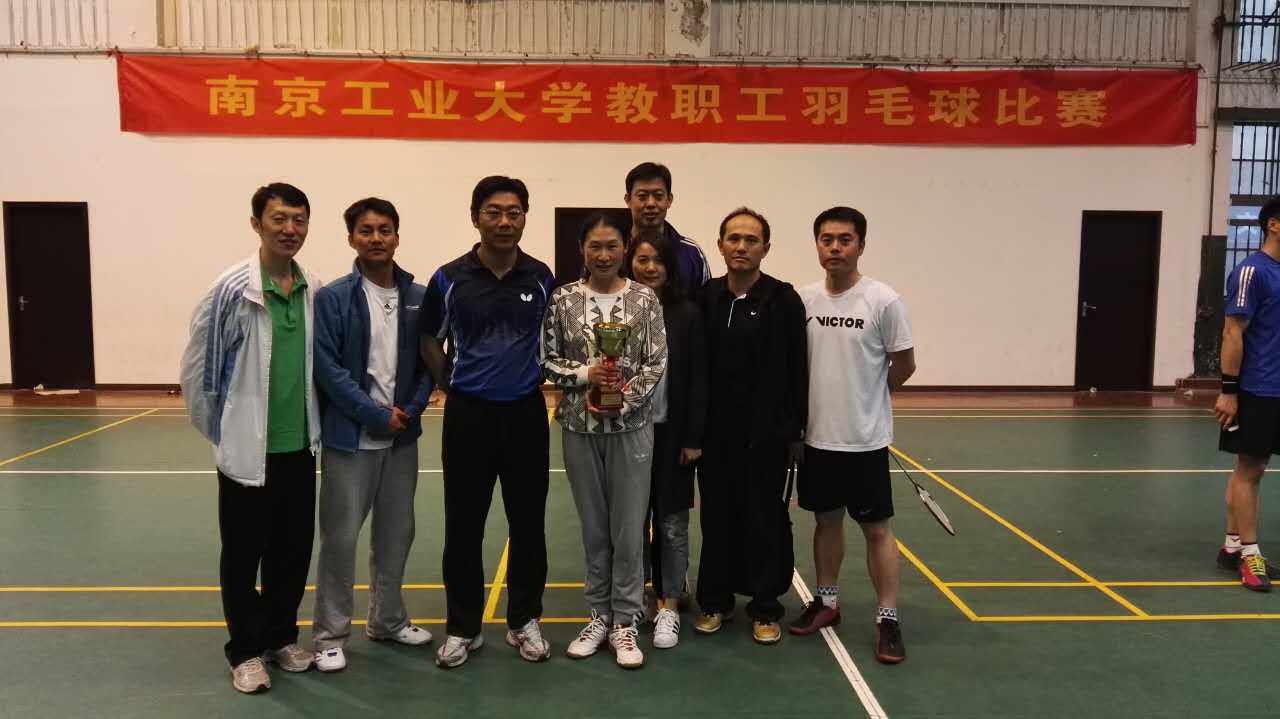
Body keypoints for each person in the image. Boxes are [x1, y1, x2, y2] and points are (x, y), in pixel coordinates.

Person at [179, 182, 322, 693]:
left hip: (299, 448)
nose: (290, 229)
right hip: (246, 452)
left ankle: (281, 637)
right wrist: (225, 435)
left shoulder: (313, 288)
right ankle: (244, 650)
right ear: (257, 224)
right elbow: (199, 371)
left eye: (299, 220)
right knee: (242, 555)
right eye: (279, 219)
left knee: (292, 552)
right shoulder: (231, 290)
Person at [421, 176, 555, 668]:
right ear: (475, 216)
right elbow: (430, 340)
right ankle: (463, 627)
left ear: (524, 218)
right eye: (494, 212)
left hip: (525, 413)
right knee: (463, 525)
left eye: (514, 212)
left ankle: (524, 620)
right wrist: (452, 384)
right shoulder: (448, 279)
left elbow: (554, 340)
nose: (504, 221)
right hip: (468, 417)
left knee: (529, 524)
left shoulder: (541, 277)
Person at [310, 197, 436, 672]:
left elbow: (429, 363)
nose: (377, 238)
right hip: (351, 439)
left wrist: (410, 411)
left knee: (396, 533)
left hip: (401, 438)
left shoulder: (419, 296)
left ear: (397, 237)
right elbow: (327, 367)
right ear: (351, 238)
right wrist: (371, 413)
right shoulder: (334, 298)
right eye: (366, 230)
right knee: (340, 538)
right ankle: (329, 634)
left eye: (385, 229)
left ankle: (386, 619)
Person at [789, 206, 915, 665]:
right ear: (817, 245)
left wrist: (870, 397)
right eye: (826, 239)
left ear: (861, 245)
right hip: (817, 439)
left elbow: (904, 364)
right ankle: (827, 601)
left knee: (876, 530)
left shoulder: (883, 300)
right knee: (826, 522)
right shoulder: (803, 300)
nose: (835, 248)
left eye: (844, 240)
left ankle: (888, 618)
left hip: (865, 441)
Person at [542, 211, 667, 669]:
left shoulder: (644, 299)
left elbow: (656, 362)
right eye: (594, 246)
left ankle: (626, 621)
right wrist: (586, 375)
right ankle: (598, 614)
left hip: (631, 429)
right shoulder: (562, 300)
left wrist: (624, 401)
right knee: (594, 529)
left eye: (612, 245)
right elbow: (547, 360)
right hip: (579, 428)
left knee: (628, 529)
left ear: (624, 249)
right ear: (582, 250)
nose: (603, 254)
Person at [693, 207, 807, 646]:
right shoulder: (706, 297)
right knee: (717, 518)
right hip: (715, 436)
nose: (741, 246)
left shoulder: (783, 300)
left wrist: (795, 430)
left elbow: (798, 368)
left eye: (751, 240)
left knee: (764, 520)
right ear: (720, 245)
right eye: (734, 238)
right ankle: (715, 601)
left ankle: (764, 606)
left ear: (766, 248)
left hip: (766, 438)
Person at [623, 230, 706, 649]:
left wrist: (693, 437)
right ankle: (635, 598)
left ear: (670, 267)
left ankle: (669, 604)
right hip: (627, 435)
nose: (650, 267)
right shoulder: (616, 310)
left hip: (672, 436)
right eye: (642, 259)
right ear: (630, 264)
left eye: (658, 260)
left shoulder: (687, 314)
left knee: (672, 524)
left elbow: (697, 380)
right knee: (632, 522)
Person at [1215, 195, 1280, 592]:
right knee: (1250, 469)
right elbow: (1231, 332)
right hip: (1256, 388)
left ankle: (1232, 546)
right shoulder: (1251, 272)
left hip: (1276, 387)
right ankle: (1250, 555)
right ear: (1274, 224)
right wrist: (1229, 391)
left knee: (1253, 467)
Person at [624, 162, 710, 297]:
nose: (651, 203)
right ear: (628, 200)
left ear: (669, 200)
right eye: (642, 196)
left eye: (658, 196)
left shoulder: (691, 253)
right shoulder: (614, 251)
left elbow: (706, 304)